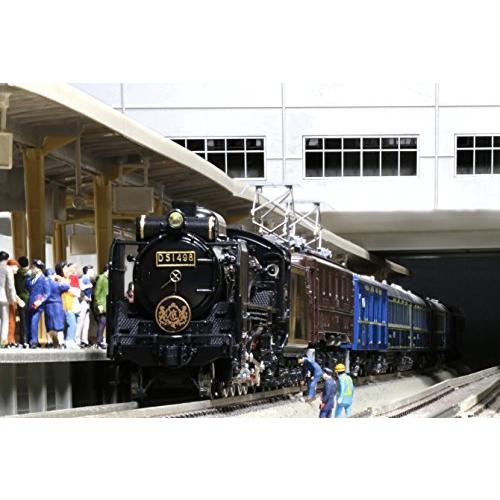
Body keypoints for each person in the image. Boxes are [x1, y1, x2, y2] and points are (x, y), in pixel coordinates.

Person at [56, 261, 81, 349]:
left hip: (69, 305)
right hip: (62, 306)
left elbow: (77, 293)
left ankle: (70, 340)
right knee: (68, 324)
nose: (67, 270)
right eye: (65, 268)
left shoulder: (68, 279)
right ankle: (67, 341)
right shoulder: (58, 279)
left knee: (72, 323)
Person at [26, 259, 50, 348]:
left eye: (33, 267)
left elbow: (47, 293)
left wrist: (40, 301)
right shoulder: (33, 278)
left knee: (34, 322)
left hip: (38, 304)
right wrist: (28, 277)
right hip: (31, 303)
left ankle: (34, 341)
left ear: (39, 269)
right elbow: (28, 286)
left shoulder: (44, 279)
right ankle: (30, 340)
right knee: (29, 322)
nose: (32, 269)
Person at [44, 269, 70, 348]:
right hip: (57, 306)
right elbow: (67, 286)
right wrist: (61, 279)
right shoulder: (56, 284)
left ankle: (49, 342)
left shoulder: (44, 284)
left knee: (49, 325)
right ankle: (61, 342)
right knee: (59, 325)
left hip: (47, 306)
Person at [6, 259, 26, 347]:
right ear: (11, 266)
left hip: (9, 301)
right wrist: (19, 300)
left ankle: (10, 340)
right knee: (10, 321)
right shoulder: (9, 275)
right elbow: (11, 290)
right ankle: (9, 340)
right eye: (16, 266)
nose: (17, 269)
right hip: (8, 301)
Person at [0, 251, 17, 348]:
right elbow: (10, 286)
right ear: (6, 259)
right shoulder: (7, 269)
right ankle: (3, 341)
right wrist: (12, 299)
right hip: (4, 297)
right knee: (5, 319)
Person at [76, 265, 95, 348]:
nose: (93, 272)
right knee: (80, 321)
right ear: (87, 271)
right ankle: (77, 340)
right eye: (91, 270)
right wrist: (88, 287)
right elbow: (80, 288)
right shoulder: (83, 279)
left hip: (88, 303)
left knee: (86, 322)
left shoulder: (88, 280)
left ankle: (84, 340)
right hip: (83, 302)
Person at [14, 256, 31, 347]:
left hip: (20, 299)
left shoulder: (16, 275)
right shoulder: (31, 275)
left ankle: (23, 340)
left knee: (22, 321)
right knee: (29, 320)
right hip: (29, 298)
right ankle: (29, 339)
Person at [94, 263, 109, 349]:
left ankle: (102, 340)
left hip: (107, 304)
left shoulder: (108, 279)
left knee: (105, 323)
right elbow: (97, 293)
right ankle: (98, 341)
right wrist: (99, 304)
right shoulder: (101, 278)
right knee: (102, 323)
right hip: (102, 305)